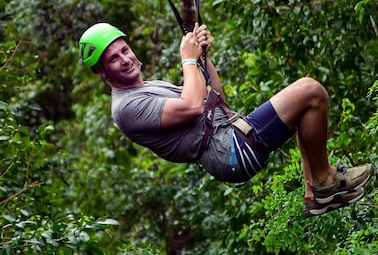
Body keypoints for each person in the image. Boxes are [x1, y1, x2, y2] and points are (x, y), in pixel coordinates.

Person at [79, 22, 374, 217]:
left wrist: (203, 57)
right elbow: (194, 106)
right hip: (229, 150)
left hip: (231, 135)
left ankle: (316, 190)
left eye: (125, 50)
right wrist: (187, 59)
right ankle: (324, 181)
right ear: (103, 73)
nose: (126, 59)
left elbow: (214, 97)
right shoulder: (126, 108)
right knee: (310, 91)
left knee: (306, 105)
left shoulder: (145, 88)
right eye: (114, 59)